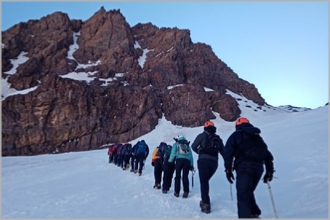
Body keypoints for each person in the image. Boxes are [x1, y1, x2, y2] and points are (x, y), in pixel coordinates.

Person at [223, 117, 275, 218]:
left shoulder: (236, 135)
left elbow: (228, 152)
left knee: (243, 195)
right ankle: (254, 213)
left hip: (244, 167)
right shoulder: (257, 137)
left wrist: (228, 169)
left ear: (237, 125)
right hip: (259, 168)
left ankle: (248, 215)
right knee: (247, 192)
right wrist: (269, 171)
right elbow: (267, 155)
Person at [191, 120, 225, 214]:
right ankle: (206, 200)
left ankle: (205, 204)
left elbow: (193, 146)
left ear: (205, 127)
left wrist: (200, 152)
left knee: (204, 182)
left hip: (203, 161)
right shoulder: (218, 138)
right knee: (205, 181)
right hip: (214, 163)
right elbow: (224, 152)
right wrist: (229, 164)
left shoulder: (202, 135)